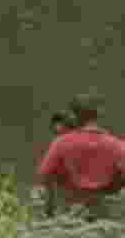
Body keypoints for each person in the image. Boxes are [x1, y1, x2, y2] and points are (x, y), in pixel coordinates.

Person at [37, 93, 125, 221]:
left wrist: (49, 210)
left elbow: (45, 175)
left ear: (73, 115)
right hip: (106, 213)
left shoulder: (61, 143)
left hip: (71, 212)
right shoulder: (118, 145)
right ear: (98, 115)